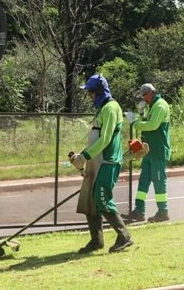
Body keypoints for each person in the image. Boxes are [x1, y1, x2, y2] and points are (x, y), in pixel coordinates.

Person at [71, 74, 133, 253]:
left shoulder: (111, 108)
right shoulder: (103, 108)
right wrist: (82, 155)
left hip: (107, 161)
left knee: (102, 199)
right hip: (95, 161)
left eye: (91, 93)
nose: (90, 96)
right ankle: (96, 241)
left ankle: (124, 236)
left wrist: (84, 156)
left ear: (99, 92)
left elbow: (105, 139)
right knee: (91, 200)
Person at [122, 83, 172, 223]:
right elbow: (148, 122)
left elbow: (153, 125)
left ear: (152, 92)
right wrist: (142, 114)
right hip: (148, 150)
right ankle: (139, 211)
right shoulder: (152, 106)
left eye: (145, 95)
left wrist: (135, 123)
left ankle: (163, 212)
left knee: (159, 181)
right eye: (142, 96)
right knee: (143, 180)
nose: (144, 98)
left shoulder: (160, 105)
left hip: (158, 150)